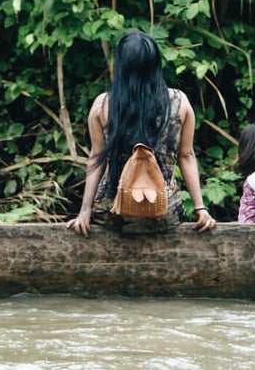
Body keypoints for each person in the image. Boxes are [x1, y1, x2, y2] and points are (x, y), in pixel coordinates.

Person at [68, 29, 218, 236]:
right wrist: (200, 208)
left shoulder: (103, 105)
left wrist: (85, 211)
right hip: (163, 213)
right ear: (156, 64)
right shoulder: (179, 102)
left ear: (121, 66)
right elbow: (186, 155)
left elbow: (97, 158)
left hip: (112, 213)